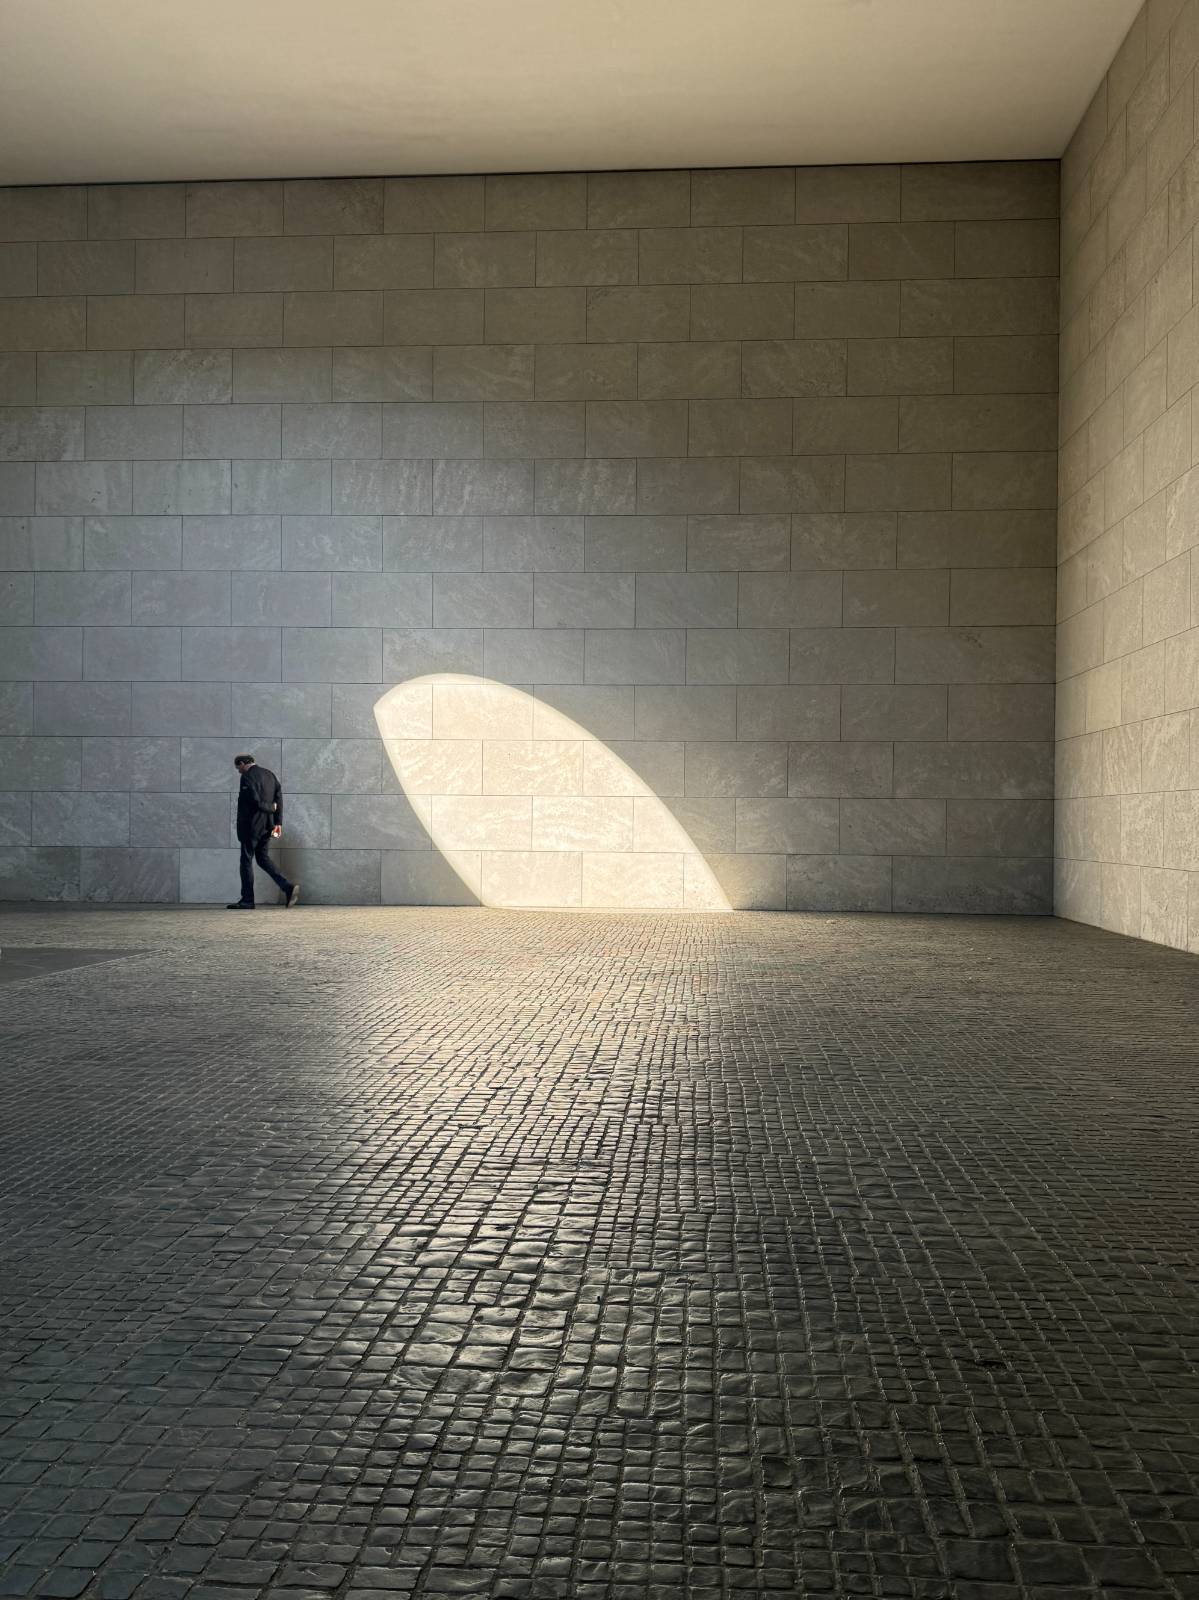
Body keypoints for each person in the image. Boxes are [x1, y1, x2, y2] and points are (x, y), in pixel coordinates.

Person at [227, 754, 300, 910]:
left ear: (242, 763)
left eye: (238, 768)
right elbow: (279, 798)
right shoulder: (269, 774)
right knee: (262, 859)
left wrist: (270, 808)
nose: (239, 772)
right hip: (267, 825)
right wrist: (278, 822)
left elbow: (253, 801)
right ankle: (287, 887)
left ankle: (247, 900)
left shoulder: (247, 777)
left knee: (246, 860)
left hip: (251, 826)